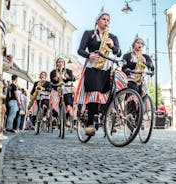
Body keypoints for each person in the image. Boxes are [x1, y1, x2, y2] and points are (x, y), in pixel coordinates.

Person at [74, 8, 126, 136]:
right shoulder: (89, 33)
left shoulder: (112, 36)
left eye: (108, 20)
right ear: (97, 21)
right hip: (93, 67)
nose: (106, 22)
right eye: (103, 19)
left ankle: (109, 115)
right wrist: (89, 55)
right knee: (94, 93)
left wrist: (112, 46)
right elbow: (80, 50)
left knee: (111, 91)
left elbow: (118, 53)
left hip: (107, 67)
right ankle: (90, 123)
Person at [50, 57, 75, 129]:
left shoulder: (68, 71)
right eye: (58, 62)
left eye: (61, 62)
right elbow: (52, 81)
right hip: (57, 89)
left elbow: (73, 78)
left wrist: (66, 78)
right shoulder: (53, 72)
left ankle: (67, 118)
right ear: (56, 63)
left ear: (64, 63)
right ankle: (56, 117)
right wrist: (56, 79)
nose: (60, 63)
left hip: (66, 88)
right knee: (57, 103)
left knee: (68, 102)